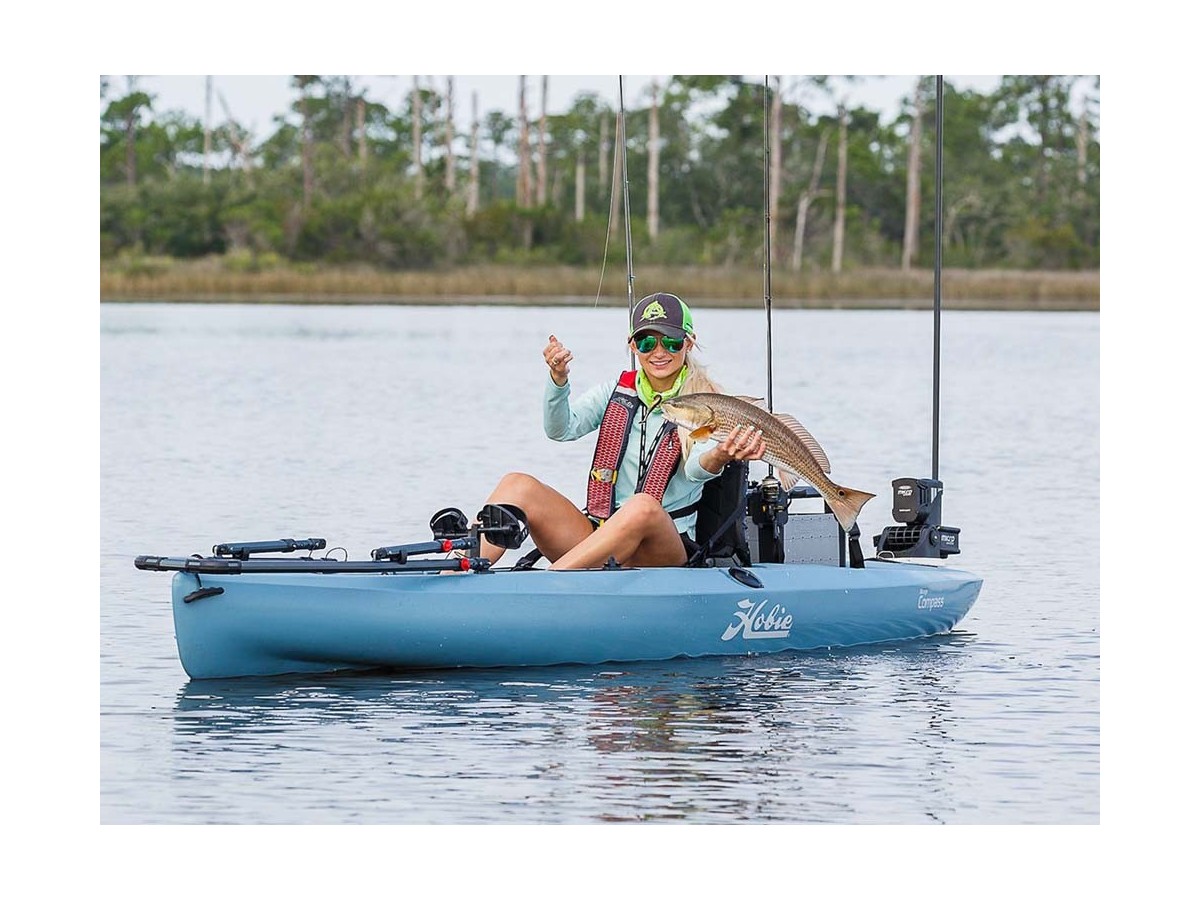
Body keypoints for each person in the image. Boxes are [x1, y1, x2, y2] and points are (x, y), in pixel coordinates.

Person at [473, 292, 766, 571]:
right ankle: (460, 572)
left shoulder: (708, 402)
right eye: (647, 342)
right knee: (516, 484)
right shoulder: (616, 391)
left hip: (663, 547)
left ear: (688, 343)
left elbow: (695, 470)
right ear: (633, 346)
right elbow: (561, 429)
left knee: (642, 507)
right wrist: (558, 379)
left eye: (672, 342)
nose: (659, 352)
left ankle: (554, 580)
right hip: (602, 537)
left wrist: (720, 454)